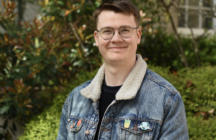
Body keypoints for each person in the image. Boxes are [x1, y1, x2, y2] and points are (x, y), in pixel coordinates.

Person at [57, 0, 189, 139]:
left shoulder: (167, 100)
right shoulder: (75, 99)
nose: (116, 38)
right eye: (107, 31)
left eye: (125, 30)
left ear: (138, 36)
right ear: (96, 38)